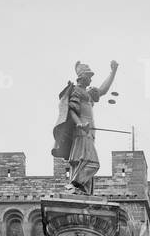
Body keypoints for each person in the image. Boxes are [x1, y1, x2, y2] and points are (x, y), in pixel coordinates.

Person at [51, 60, 120, 195]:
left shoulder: (88, 93)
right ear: (82, 77)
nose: (91, 79)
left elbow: (103, 90)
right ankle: (73, 185)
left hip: (90, 130)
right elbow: (71, 110)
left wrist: (113, 72)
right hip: (82, 130)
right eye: (89, 76)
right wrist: (79, 124)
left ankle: (83, 191)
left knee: (81, 160)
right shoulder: (76, 91)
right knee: (91, 162)